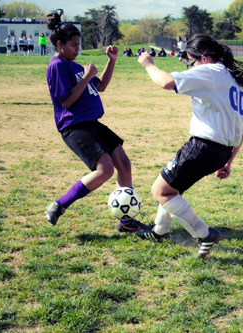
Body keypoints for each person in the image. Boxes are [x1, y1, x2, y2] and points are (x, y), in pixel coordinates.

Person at [136, 33, 243, 259]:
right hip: (221, 151)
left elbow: (167, 82)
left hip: (203, 146)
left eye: (192, 61)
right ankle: (161, 230)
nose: (191, 66)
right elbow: (242, 130)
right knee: (173, 187)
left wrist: (148, 64)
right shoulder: (236, 84)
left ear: (204, 58)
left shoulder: (210, 72)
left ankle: (205, 234)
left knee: (160, 191)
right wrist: (228, 161)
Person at [44, 9, 149, 233]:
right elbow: (67, 102)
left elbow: (100, 86)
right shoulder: (57, 65)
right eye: (73, 45)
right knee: (105, 170)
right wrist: (85, 77)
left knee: (123, 162)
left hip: (92, 123)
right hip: (74, 126)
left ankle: (126, 221)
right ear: (60, 45)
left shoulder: (73, 64)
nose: (77, 49)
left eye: (79, 45)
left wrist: (111, 62)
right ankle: (59, 205)